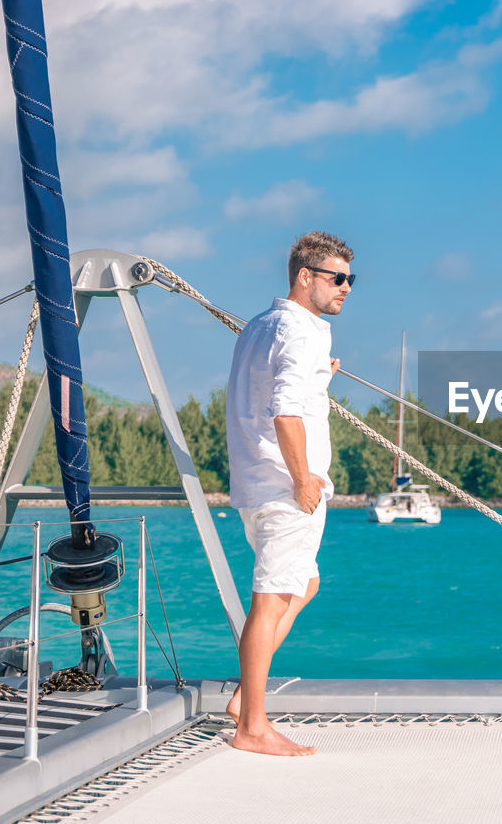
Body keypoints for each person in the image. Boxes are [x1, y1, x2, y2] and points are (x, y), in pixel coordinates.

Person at [224, 231, 355, 756]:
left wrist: (322, 374)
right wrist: (303, 479)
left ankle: (243, 698)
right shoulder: (303, 332)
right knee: (272, 597)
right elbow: (284, 411)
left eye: (350, 278)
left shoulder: (261, 325)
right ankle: (252, 726)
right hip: (285, 486)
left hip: (257, 482)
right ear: (305, 277)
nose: (346, 287)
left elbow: (273, 386)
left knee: (305, 584)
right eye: (337, 278)